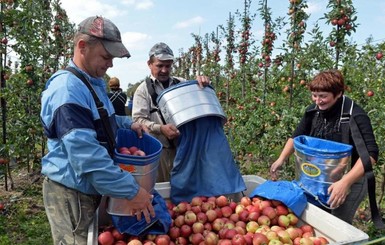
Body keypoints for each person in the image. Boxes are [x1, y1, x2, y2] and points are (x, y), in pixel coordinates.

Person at [40, 16, 155, 244]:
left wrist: (128, 123)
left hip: (90, 187)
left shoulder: (92, 82)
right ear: (82, 46)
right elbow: (87, 157)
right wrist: (132, 191)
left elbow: (103, 119)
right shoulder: (67, 89)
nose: (110, 64)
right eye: (106, 56)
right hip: (71, 193)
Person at [270, 69, 378, 224]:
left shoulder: (355, 116)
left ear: (338, 93)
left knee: (336, 224)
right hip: (318, 176)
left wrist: (345, 182)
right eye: (314, 95)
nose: (318, 101)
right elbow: (296, 136)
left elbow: (371, 154)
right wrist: (281, 159)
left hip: (351, 179)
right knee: (313, 220)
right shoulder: (313, 111)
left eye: (323, 96)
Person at [132, 42, 211, 182]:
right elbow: (138, 120)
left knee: (186, 188)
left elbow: (200, 101)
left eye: (168, 66)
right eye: (159, 65)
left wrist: (203, 84)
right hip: (159, 151)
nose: (164, 70)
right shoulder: (143, 90)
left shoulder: (181, 84)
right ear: (149, 64)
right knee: (162, 188)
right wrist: (160, 128)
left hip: (183, 148)